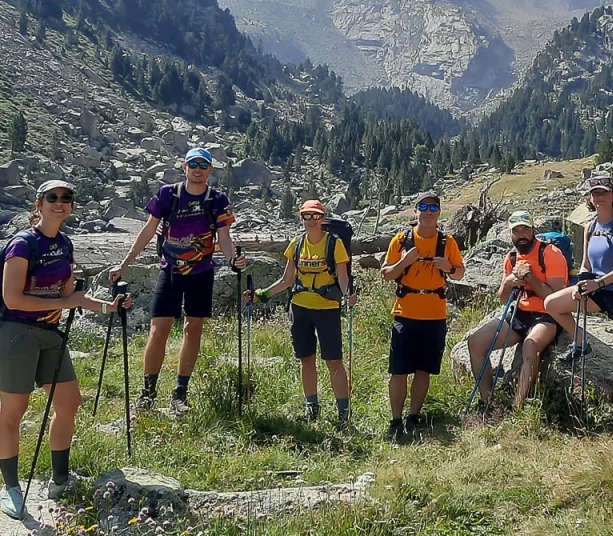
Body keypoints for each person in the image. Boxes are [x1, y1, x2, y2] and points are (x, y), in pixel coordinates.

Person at [0, 180, 131, 520]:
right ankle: (10, 488)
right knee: (14, 409)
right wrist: (62, 301)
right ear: (38, 204)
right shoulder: (23, 244)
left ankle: (60, 479)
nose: (59, 203)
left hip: (49, 332)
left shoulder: (64, 244)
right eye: (52, 198)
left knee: (69, 402)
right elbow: (12, 299)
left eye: (65, 198)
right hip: (15, 333)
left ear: (71, 206)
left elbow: (73, 295)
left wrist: (108, 307)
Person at [110, 148, 245, 413]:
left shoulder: (217, 199)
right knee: (158, 329)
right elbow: (149, 229)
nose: (197, 169)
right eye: (193, 164)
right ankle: (148, 392)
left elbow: (224, 238)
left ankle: (180, 392)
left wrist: (232, 260)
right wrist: (125, 263)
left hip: (201, 272)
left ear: (210, 170)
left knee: (192, 329)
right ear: (184, 167)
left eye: (203, 165)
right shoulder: (168, 194)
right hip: (170, 269)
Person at [546, 174, 613, 429]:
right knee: (552, 304)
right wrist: (582, 283)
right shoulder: (591, 226)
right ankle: (581, 341)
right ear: (590, 198)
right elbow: (586, 263)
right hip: (599, 290)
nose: (599, 197)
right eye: (595, 193)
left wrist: (599, 283)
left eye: (604, 192)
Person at [245, 200, 356, 422]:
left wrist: (348, 296)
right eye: (307, 216)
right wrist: (262, 295)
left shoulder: (334, 244)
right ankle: (311, 408)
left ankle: (343, 413)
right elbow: (287, 280)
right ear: (301, 218)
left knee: (334, 361)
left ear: (323, 218)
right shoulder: (296, 244)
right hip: (300, 309)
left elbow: (343, 278)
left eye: (316, 216)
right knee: (306, 359)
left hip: (327, 309)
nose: (312, 220)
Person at [381, 192, 465, 439]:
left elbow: (459, 273)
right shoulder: (401, 240)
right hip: (405, 313)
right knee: (398, 370)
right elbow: (386, 274)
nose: (428, 212)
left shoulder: (447, 242)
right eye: (424, 207)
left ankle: (413, 417)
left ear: (439, 213)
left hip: (435, 314)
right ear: (415, 211)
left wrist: (448, 268)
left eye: (433, 208)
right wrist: (405, 262)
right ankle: (396, 420)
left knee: (423, 370)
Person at [467, 211, 567, 411]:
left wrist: (530, 278)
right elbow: (504, 299)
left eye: (525, 230)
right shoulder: (511, 257)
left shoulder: (550, 254)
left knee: (530, 346)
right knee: (475, 342)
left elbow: (557, 299)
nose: (521, 235)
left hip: (548, 316)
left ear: (533, 231)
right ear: (511, 234)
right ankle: (487, 401)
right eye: (516, 231)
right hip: (519, 313)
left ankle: (517, 407)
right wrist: (508, 283)